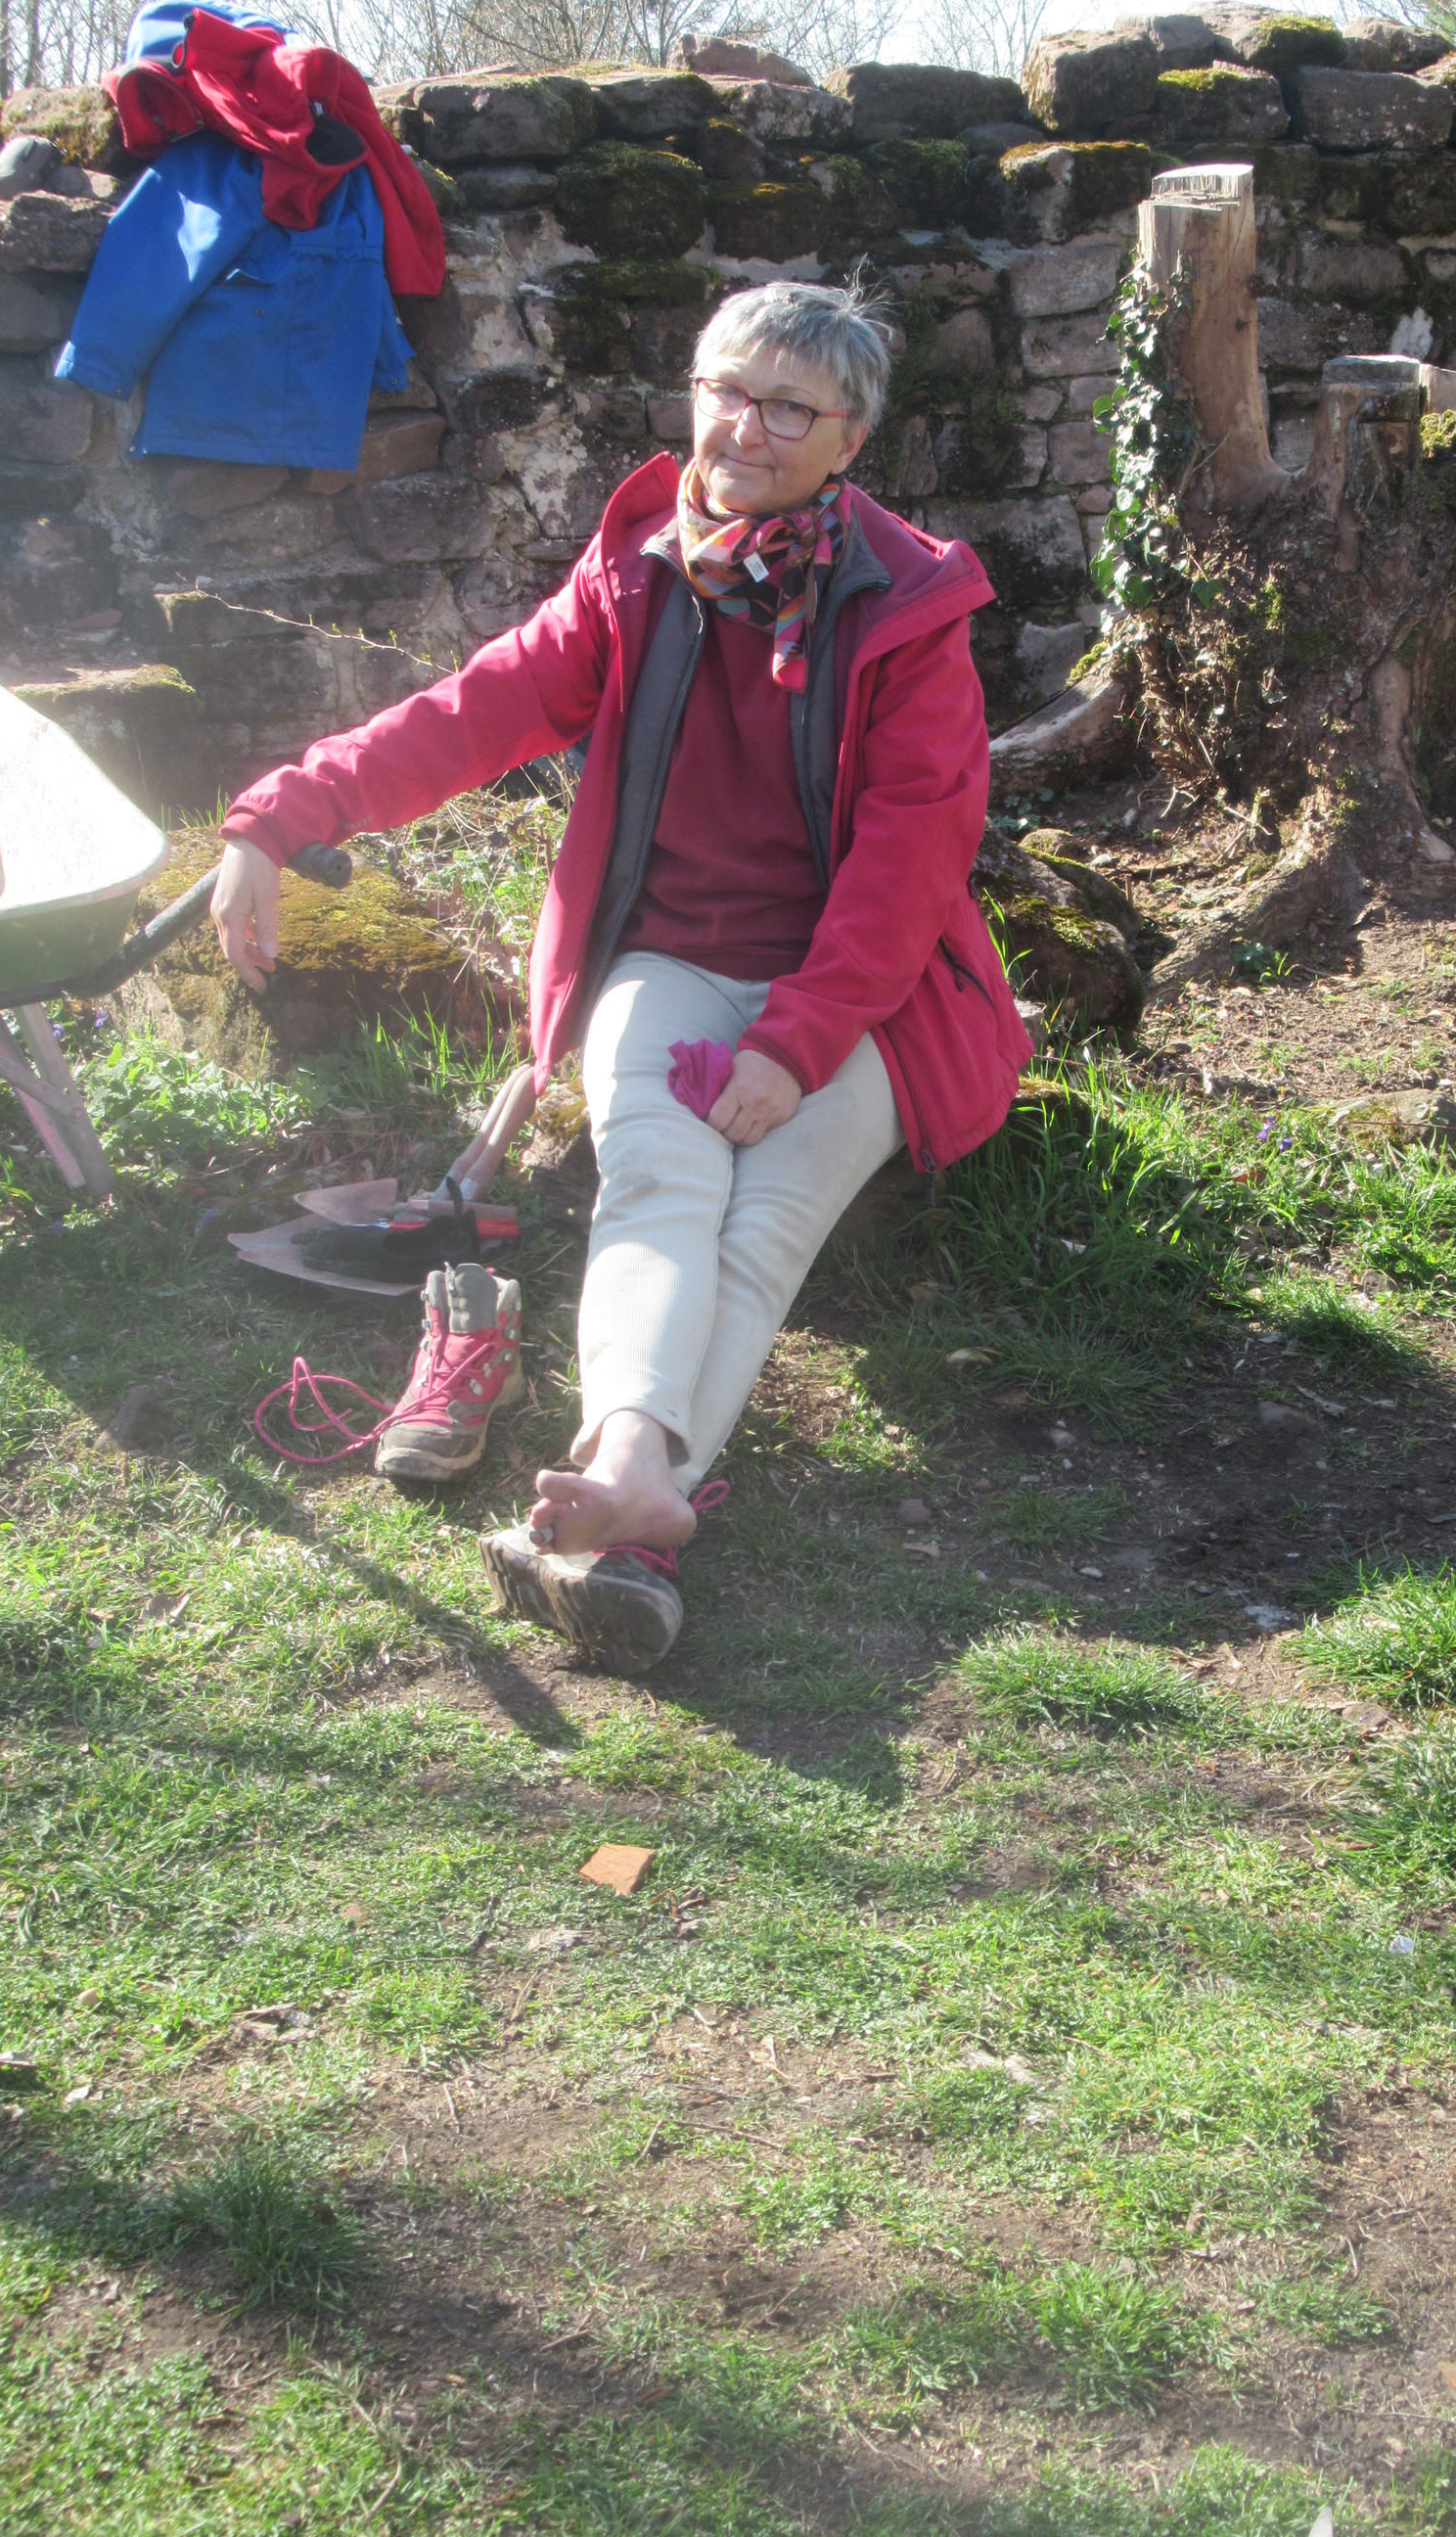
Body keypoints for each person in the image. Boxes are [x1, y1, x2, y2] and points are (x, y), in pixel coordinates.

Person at [209, 277, 1034, 1668]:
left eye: (789, 409)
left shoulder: (910, 608)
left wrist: (794, 1043)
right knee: (659, 1182)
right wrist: (278, 817)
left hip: (862, 997)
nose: (745, 428)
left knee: (764, 1218)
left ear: (849, 440)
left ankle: (623, 1509)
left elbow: (912, 860)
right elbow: (467, 714)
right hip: (672, 958)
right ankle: (641, 1488)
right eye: (727, 391)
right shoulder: (636, 573)